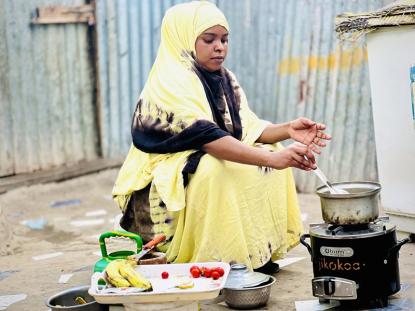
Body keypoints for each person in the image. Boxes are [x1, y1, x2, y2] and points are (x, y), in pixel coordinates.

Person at [112, 1, 330, 273]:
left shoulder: (224, 77)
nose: (220, 47)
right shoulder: (171, 81)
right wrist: (273, 160)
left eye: (224, 40)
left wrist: (288, 130)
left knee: (272, 148)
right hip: (163, 179)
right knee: (215, 168)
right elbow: (210, 138)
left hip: (205, 153)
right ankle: (216, 258)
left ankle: (256, 253)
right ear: (183, 38)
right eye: (209, 39)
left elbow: (244, 127)